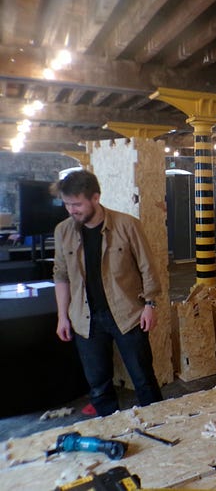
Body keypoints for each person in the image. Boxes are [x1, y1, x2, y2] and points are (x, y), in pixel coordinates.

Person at [53, 170, 163, 416]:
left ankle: (160, 422)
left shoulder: (127, 225)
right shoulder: (63, 231)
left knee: (144, 380)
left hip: (128, 314)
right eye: (67, 204)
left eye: (77, 204)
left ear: (95, 198)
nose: (72, 210)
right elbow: (60, 275)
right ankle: (110, 431)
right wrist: (63, 316)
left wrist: (150, 304)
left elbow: (148, 267)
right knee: (99, 386)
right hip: (86, 319)